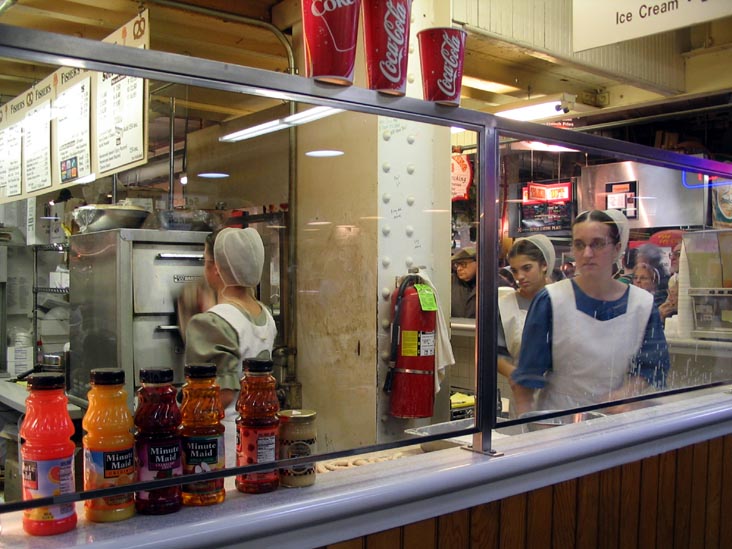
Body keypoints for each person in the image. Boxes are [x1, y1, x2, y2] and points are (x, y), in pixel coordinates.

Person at [511, 209, 670, 415]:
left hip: (614, 421)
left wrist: (625, 393)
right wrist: (528, 425)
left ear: (617, 249)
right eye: (579, 245)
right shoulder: (551, 300)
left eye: (597, 244)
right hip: (560, 421)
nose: (587, 254)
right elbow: (526, 380)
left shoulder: (642, 305)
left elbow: (652, 366)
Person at [184, 227, 277, 466]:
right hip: (260, 438)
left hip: (223, 445)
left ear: (216, 267)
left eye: (205, 261)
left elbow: (220, 396)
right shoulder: (264, 314)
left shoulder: (212, 322)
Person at [497, 235, 555, 381]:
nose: (519, 277)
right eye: (515, 270)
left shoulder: (563, 300)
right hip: (523, 388)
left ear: (544, 265)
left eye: (526, 268)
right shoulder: (505, 306)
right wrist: (518, 377)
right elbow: (496, 354)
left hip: (563, 389)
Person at [659, 242, 682, 322]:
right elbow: (667, 307)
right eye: (672, 254)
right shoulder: (672, 280)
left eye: (678, 254)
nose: (672, 258)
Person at [451, 247, 476, 318]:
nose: (458, 269)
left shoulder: (493, 283)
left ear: (477, 263)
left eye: (463, 264)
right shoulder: (450, 282)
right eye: (457, 265)